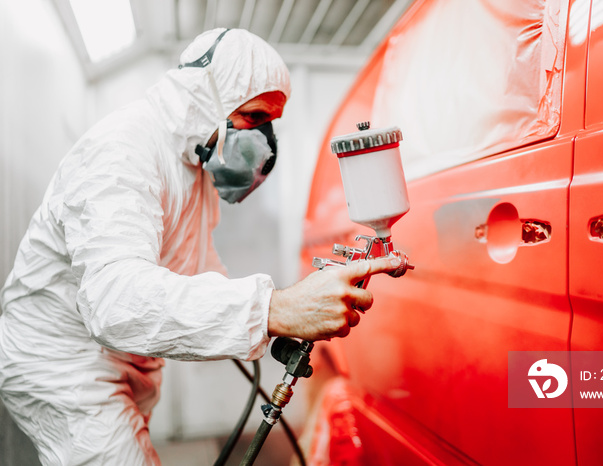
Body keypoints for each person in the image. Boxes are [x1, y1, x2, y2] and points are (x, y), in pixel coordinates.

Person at [0, 28, 399, 465]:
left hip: (117, 362)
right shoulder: (122, 150)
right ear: (207, 96)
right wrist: (273, 309)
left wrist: (290, 311)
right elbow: (114, 300)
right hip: (62, 362)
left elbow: (198, 273)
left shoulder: (191, 172)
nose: (264, 140)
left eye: (271, 125)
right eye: (254, 117)